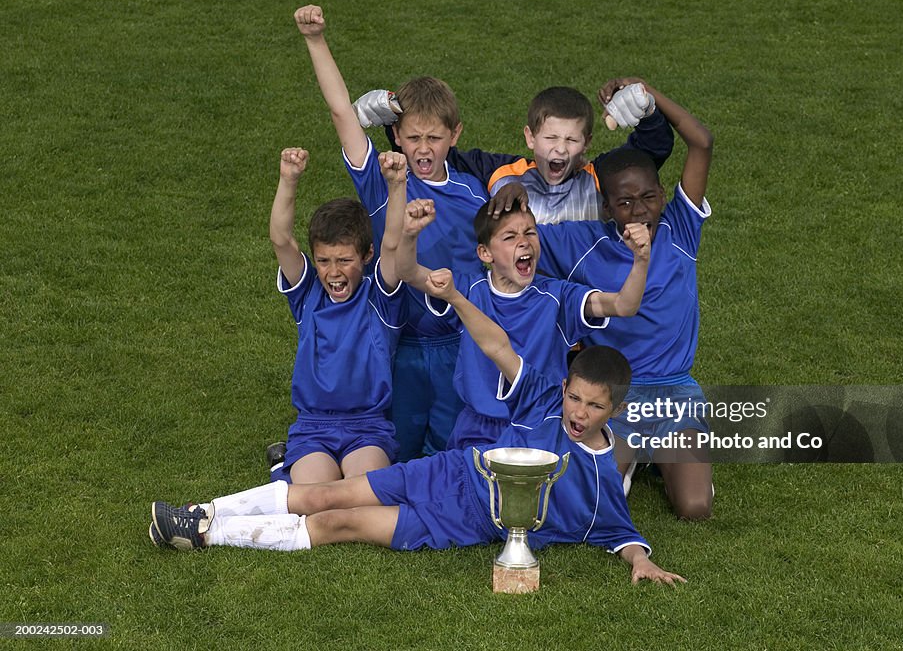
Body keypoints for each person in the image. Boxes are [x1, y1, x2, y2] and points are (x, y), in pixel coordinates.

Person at [149, 269, 685, 586]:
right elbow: (498, 345)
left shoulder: (601, 477)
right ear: (564, 388)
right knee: (324, 494)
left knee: (345, 523)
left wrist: (642, 562)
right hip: (447, 473)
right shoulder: (544, 396)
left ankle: (204, 534)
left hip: (464, 521)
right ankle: (202, 511)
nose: (576, 413)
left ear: (613, 410)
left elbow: (622, 535)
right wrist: (455, 298)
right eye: (574, 398)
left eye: (591, 407)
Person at [292, 4, 489, 463]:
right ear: (396, 135)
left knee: (450, 451)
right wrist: (316, 41)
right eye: (414, 137)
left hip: (456, 341)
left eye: (434, 138)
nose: (423, 149)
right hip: (396, 341)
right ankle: (307, 449)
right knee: (391, 453)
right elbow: (342, 113)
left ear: (454, 135)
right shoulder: (382, 181)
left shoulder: (474, 193)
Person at [534, 81, 716, 520]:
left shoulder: (680, 231)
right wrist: (513, 198)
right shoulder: (580, 243)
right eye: (626, 202)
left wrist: (650, 94)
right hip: (613, 397)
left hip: (675, 390)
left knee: (694, 508)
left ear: (664, 196)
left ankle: (661, 455)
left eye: (650, 197)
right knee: (594, 502)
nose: (640, 209)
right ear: (606, 207)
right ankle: (633, 451)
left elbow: (702, 141)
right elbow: (517, 244)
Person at [392, 188, 650, 450]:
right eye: (510, 236)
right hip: (477, 427)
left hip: (540, 424)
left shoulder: (558, 297)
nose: (524, 242)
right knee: (467, 487)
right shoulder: (469, 290)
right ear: (485, 253)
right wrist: (409, 234)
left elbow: (623, 305)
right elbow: (407, 271)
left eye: (530, 232)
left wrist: (641, 259)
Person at [266, 147, 409, 484]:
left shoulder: (380, 297)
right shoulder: (307, 293)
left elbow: (393, 243)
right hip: (313, 426)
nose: (333, 272)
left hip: (368, 427)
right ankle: (284, 468)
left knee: (362, 492)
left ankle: (282, 471)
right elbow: (281, 239)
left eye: (344, 260)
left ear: (366, 255)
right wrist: (288, 178)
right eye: (324, 260)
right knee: (314, 496)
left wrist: (397, 184)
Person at [356, 79, 674, 224]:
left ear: (587, 143)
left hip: (591, 319)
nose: (560, 150)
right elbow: (435, 156)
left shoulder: (600, 177)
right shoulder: (498, 172)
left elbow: (649, 153)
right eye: (550, 138)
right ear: (530, 137)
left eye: (571, 140)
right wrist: (393, 121)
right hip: (523, 321)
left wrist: (648, 115)